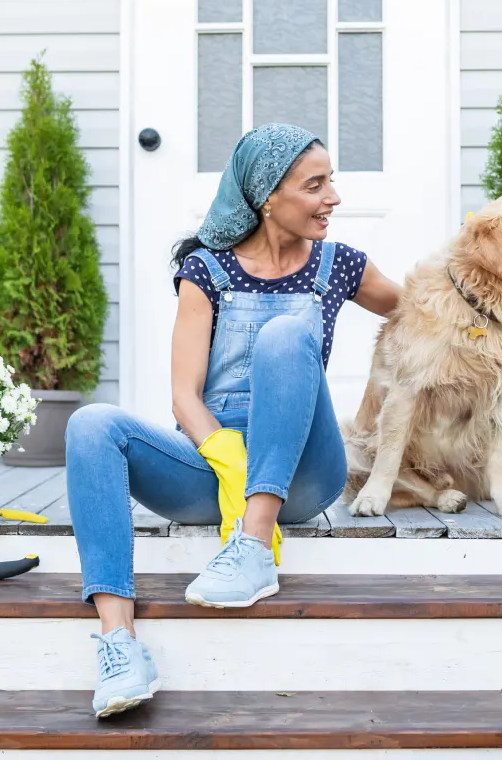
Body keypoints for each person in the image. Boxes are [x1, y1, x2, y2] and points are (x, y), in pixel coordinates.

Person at [65, 123, 402, 718]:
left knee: (285, 334)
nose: (334, 198)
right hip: (214, 464)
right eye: (315, 185)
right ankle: (120, 645)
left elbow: (421, 313)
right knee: (92, 424)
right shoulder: (207, 270)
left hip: (303, 471)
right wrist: (223, 456)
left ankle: (253, 547)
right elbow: (183, 396)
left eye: (332, 183)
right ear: (269, 196)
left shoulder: (341, 264)